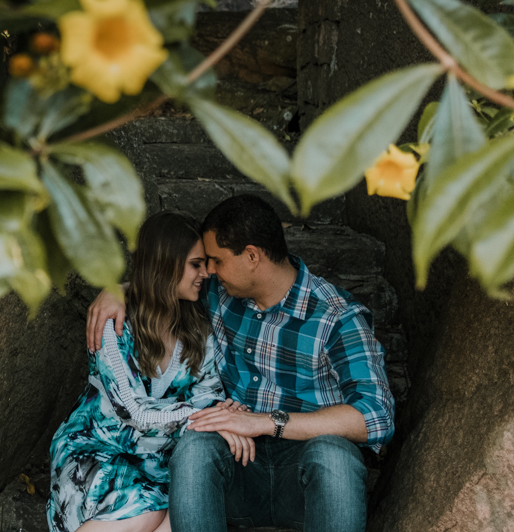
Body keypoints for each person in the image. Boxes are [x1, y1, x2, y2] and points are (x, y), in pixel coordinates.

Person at [85, 194, 394, 532]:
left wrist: (267, 422)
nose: (209, 271)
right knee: (194, 448)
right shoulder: (222, 292)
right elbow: (164, 282)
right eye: (204, 264)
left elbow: (376, 416)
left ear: (251, 256)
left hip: (306, 478)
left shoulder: (337, 318)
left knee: (334, 455)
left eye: (216, 260)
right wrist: (118, 290)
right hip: (240, 466)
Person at [48, 212, 230, 532]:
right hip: (97, 452)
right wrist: (215, 418)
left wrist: (221, 415)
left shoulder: (198, 330)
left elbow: (211, 395)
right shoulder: (115, 323)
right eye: (196, 264)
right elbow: (132, 410)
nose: (206, 273)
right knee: (145, 511)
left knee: (185, 512)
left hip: (157, 463)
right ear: (166, 265)